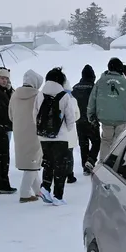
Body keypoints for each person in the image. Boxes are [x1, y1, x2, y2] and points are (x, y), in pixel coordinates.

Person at [36, 68, 77, 205]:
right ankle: (58, 197)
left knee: (48, 162)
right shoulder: (64, 96)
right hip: (60, 138)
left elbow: (34, 115)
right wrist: (65, 129)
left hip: (44, 137)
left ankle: (45, 187)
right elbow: (71, 119)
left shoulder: (40, 95)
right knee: (60, 167)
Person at [89, 58, 126, 161]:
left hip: (105, 118)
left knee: (106, 141)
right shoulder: (125, 83)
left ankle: (103, 163)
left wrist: (91, 115)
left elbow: (92, 100)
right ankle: (115, 163)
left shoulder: (100, 82)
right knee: (119, 141)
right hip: (121, 118)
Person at [9, 70, 45, 203]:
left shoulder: (14, 95)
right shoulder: (39, 96)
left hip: (19, 132)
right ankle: (24, 193)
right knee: (33, 162)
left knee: (32, 162)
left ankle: (39, 191)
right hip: (34, 132)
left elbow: (10, 115)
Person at [70, 65, 100, 175]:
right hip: (91, 119)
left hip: (79, 120)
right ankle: (91, 160)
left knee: (83, 144)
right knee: (97, 142)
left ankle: (85, 166)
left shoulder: (75, 88)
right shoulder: (94, 87)